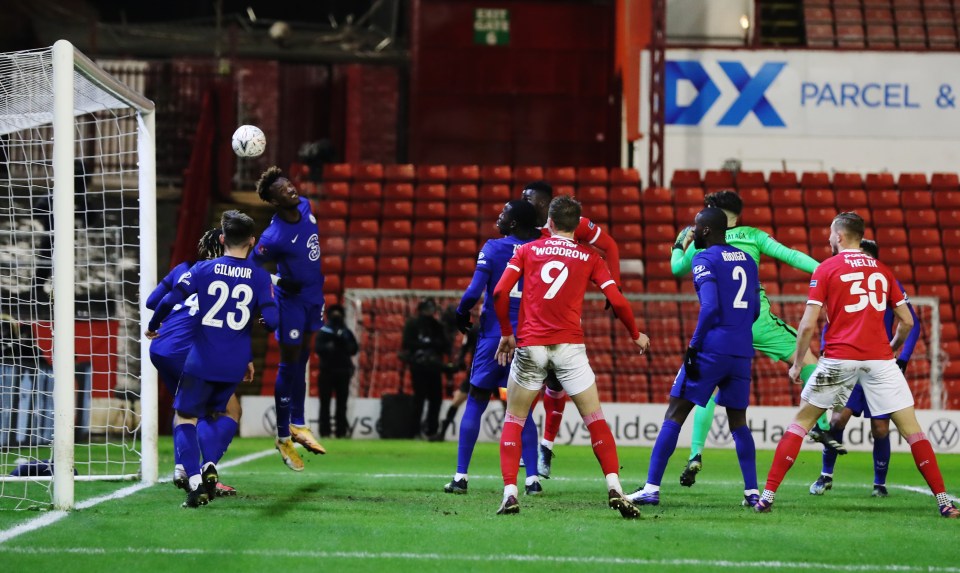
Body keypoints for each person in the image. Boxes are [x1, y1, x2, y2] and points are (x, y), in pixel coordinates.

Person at [755, 212, 959, 518]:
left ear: (839, 236)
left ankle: (767, 496)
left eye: (829, 234)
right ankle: (944, 501)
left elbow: (808, 324)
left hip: (839, 357)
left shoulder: (826, 269)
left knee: (801, 423)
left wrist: (798, 364)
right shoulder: (883, 270)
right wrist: (891, 348)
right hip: (880, 360)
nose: (827, 239)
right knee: (913, 431)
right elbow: (906, 321)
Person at [492, 195, 650, 517]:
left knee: (514, 419)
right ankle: (615, 488)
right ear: (577, 224)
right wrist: (635, 333)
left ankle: (510, 492)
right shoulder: (589, 256)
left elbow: (499, 292)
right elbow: (617, 301)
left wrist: (507, 332)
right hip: (569, 348)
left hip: (531, 346)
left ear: (548, 221)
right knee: (595, 420)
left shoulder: (527, 249)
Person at [670, 189, 834, 488]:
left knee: (706, 390)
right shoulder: (753, 236)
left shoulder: (703, 238)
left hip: (721, 325)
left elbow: (678, 269)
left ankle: (695, 453)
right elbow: (791, 256)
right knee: (810, 361)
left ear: (713, 213)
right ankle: (820, 426)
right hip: (755, 319)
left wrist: (678, 247)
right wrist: (827, 270)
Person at [626, 208, 762, 507]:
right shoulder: (749, 260)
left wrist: (694, 345)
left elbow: (710, 307)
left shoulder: (705, 258)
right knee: (738, 420)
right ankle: (752, 492)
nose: (692, 233)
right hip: (741, 350)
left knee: (675, 413)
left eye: (696, 228)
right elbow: (754, 310)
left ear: (706, 231)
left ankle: (651, 487)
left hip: (712, 348)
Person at [146, 210, 278, 507]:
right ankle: (208, 467)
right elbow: (271, 319)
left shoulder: (200, 270)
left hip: (198, 358)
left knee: (187, 415)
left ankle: (193, 478)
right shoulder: (259, 275)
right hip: (232, 363)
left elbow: (162, 301)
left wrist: (154, 326)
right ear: (253, 241)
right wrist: (262, 322)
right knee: (226, 412)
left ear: (221, 238)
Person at [521, 181, 623, 478]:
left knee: (554, 384)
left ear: (544, 203)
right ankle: (530, 449)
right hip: (530, 315)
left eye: (529, 197)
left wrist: (613, 285)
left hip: (561, 321)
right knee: (527, 385)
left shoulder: (572, 224)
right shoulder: (524, 226)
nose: (523, 201)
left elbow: (610, 246)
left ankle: (545, 447)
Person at [442, 200, 542, 495]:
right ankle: (532, 479)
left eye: (503, 215)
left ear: (512, 224)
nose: (498, 218)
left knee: (476, 400)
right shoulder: (541, 248)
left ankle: (461, 477)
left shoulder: (493, 247)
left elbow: (474, 291)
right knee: (522, 409)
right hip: (528, 337)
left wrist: (461, 313)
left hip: (493, 337)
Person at [809, 238, 921, 498]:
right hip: (849, 362)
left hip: (876, 365)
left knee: (880, 428)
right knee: (837, 419)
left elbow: (911, 322)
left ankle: (879, 484)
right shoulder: (843, 282)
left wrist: (902, 357)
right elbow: (831, 323)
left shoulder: (887, 282)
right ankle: (826, 475)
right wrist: (828, 348)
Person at [146, 227, 240, 496]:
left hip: (162, 347)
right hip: (192, 350)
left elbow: (153, 301)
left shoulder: (183, 269)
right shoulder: (230, 277)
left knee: (186, 408)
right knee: (228, 410)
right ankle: (203, 472)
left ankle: (182, 467)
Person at [253, 166, 327, 471]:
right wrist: (279, 282)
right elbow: (252, 266)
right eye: (282, 189)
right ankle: (283, 434)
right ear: (273, 200)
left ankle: (298, 423)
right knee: (289, 361)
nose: (291, 189)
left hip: (313, 297)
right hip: (290, 302)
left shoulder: (307, 206)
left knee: (304, 359)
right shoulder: (273, 236)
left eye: (290, 184)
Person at [400, 298, 449, 437]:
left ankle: (431, 430)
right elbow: (407, 344)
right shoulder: (413, 324)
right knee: (419, 399)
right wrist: (428, 345)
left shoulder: (437, 326)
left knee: (436, 399)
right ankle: (414, 431)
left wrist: (430, 345)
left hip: (434, 366)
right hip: (418, 366)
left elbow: (445, 345)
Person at [430, 312, 479, 442]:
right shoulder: (475, 330)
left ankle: (441, 433)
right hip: (479, 372)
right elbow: (465, 347)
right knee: (457, 400)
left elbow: (464, 348)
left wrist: (461, 361)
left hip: (485, 371)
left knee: (508, 404)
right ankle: (441, 433)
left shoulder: (501, 329)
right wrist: (461, 361)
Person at [314, 304, 358, 438]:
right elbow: (318, 349)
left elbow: (354, 349)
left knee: (342, 404)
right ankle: (325, 431)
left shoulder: (346, 332)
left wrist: (344, 344)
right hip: (327, 371)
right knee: (325, 403)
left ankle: (341, 432)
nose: (337, 316)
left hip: (343, 371)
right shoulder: (324, 331)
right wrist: (330, 346)